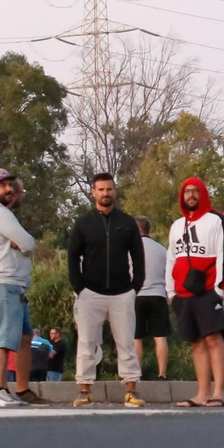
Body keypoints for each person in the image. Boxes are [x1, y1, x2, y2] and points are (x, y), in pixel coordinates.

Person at [68, 173, 146, 407]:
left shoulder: (127, 222)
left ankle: (131, 390)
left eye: (109, 189)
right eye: (101, 189)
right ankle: (84, 390)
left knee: (126, 344)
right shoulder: (83, 223)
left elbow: (138, 257)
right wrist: (79, 287)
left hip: (122, 293)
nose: (105, 193)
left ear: (114, 191)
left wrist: (135, 287)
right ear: (93, 192)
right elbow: (73, 257)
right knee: (87, 343)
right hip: (90, 293)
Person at [0, 168, 40, 407]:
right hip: (3, 283)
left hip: (10, 284)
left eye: (10, 184)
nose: (9, 189)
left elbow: (22, 244)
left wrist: (20, 245)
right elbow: (29, 243)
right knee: (2, 338)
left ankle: (13, 390)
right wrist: (22, 245)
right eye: (2, 185)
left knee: (22, 337)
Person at [167, 176, 224, 408]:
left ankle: (218, 393)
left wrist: (219, 289)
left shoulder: (217, 220)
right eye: (187, 191)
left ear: (203, 193)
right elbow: (171, 259)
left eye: (196, 191)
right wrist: (170, 292)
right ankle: (201, 393)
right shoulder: (177, 225)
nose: (191, 195)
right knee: (196, 342)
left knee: (213, 339)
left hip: (208, 290)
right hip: (182, 294)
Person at [133, 216, 171, 381]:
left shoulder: (131, 249)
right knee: (160, 337)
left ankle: (136, 373)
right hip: (158, 295)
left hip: (137, 295)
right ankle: (162, 373)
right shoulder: (162, 250)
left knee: (136, 337)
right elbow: (169, 274)